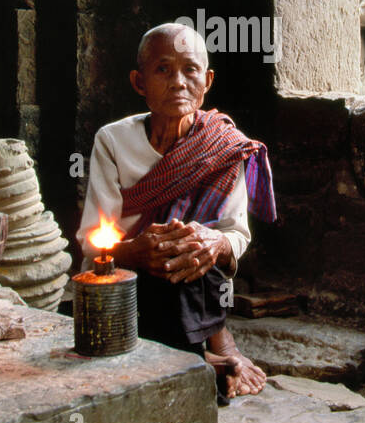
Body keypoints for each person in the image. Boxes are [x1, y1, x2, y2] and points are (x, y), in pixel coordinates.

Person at [77, 22, 273, 399]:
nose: (178, 82)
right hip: (123, 272)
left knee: (189, 251)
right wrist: (134, 251)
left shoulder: (223, 144)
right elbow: (91, 239)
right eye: (163, 69)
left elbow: (236, 234)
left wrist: (210, 243)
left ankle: (199, 358)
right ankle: (206, 360)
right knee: (153, 267)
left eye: (190, 69)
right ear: (139, 83)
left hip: (194, 279)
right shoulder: (113, 140)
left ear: (208, 81)